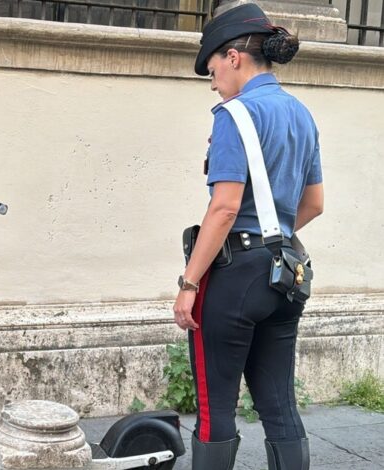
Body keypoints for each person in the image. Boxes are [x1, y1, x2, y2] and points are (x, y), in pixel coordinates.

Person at [172, 4, 324, 470]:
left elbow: (224, 208)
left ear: (234, 57)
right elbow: (314, 204)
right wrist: (272, 237)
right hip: (286, 272)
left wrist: (189, 283)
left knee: (216, 408)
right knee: (279, 404)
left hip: (234, 277)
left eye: (212, 69)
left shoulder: (234, 114)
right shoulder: (301, 114)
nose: (213, 82)